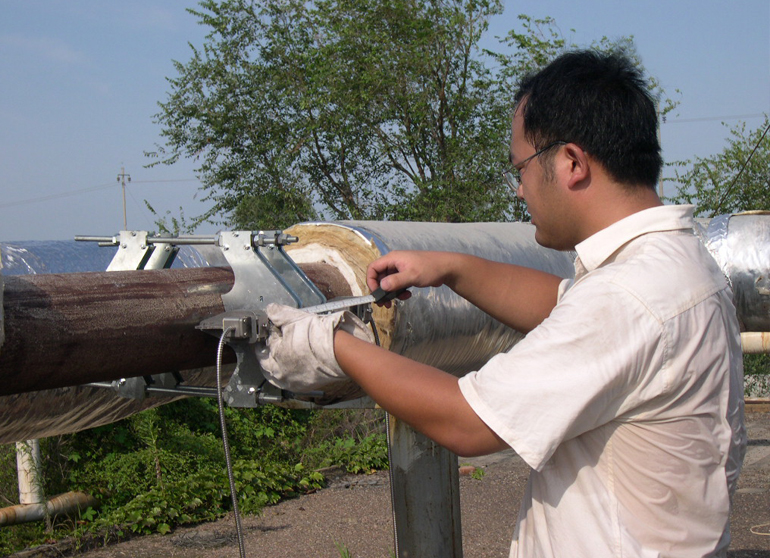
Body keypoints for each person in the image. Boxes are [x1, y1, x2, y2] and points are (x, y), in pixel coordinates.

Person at [259, 49, 746, 557]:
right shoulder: (675, 262)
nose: (519, 189)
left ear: (572, 163)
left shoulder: (628, 296)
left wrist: (330, 344)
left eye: (523, 167)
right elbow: (564, 307)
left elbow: (467, 422)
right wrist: (452, 268)